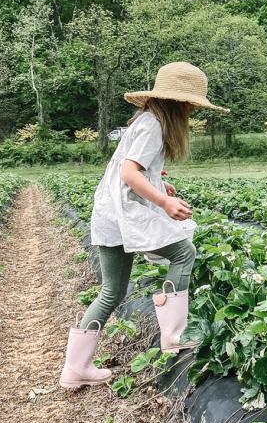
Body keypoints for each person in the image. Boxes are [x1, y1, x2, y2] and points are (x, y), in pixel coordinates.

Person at [59, 62, 229, 389]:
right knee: (183, 252)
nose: (193, 109)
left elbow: (137, 172)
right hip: (123, 213)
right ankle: (175, 336)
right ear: (178, 102)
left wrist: (159, 187)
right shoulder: (153, 125)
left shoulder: (147, 121)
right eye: (192, 103)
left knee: (112, 291)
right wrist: (164, 203)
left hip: (111, 212)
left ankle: (75, 368)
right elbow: (129, 174)